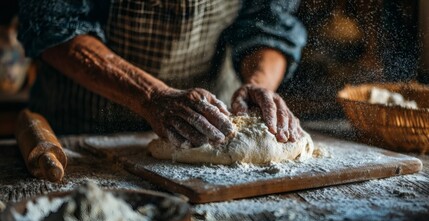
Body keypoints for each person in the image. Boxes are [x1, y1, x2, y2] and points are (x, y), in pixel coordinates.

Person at [18, 0, 307, 147]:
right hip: (80, 132)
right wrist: (151, 95)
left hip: (209, 128)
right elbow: (52, 24)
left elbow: (269, 22)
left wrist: (259, 83)